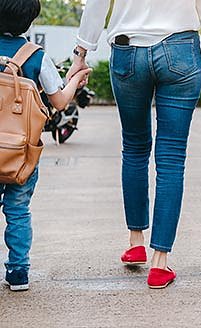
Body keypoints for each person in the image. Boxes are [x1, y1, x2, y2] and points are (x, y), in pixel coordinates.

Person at [68, 0, 201, 289]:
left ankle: (135, 242)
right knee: (171, 157)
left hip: (127, 50)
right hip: (180, 50)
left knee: (134, 148)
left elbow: (96, 4)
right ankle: (160, 263)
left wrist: (80, 54)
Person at [0, 0, 91, 291]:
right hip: (20, 152)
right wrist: (75, 79)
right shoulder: (35, 56)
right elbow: (60, 102)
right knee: (17, 210)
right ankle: (18, 273)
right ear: (28, 21)